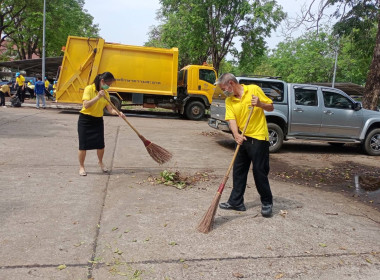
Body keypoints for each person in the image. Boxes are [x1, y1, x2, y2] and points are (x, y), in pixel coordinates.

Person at [216, 73, 275, 217]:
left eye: (224, 88)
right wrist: (236, 135)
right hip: (242, 137)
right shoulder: (230, 101)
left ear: (231, 83)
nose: (224, 91)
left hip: (259, 137)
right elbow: (231, 119)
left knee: (259, 171)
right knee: (238, 170)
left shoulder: (253, 90)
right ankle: (236, 202)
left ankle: (267, 202)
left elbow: (271, 107)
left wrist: (260, 104)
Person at [78, 71, 126, 176]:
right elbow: (86, 105)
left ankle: (100, 162)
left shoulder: (106, 94)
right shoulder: (89, 89)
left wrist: (118, 113)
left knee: (100, 145)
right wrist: (98, 97)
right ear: (102, 81)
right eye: (108, 84)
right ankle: (81, 166)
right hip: (85, 120)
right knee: (83, 146)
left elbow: (110, 109)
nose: (108, 86)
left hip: (98, 120)